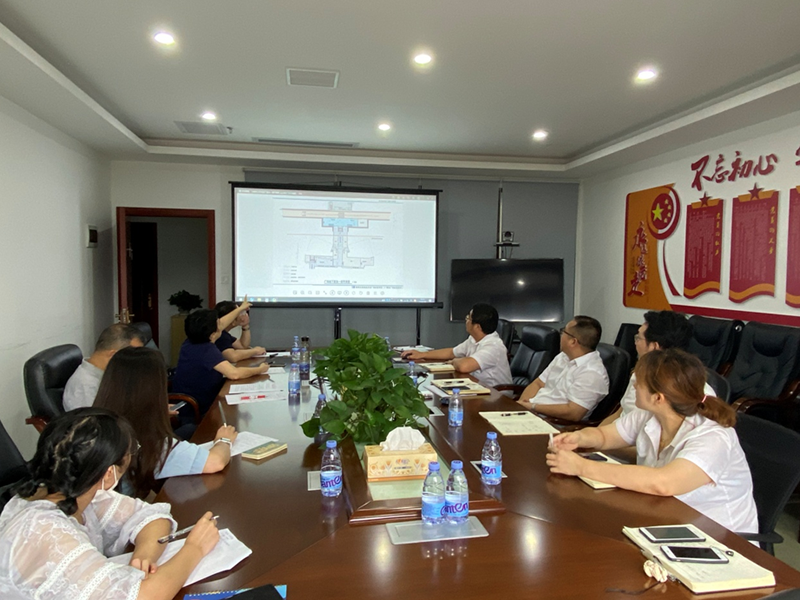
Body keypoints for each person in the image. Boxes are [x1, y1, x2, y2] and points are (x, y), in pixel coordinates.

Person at [0, 408, 220, 600]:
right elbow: (143, 597)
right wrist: (195, 548)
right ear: (108, 474)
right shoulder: (43, 530)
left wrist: (144, 556)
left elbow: (151, 517)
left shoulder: (74, 490)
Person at [546, 349, 757, 533]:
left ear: (658, 398)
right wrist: (579, 437)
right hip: (666, 519)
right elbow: (605, 436)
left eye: (639, 382)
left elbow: (663, 483)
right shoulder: (649, 415)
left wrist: (581, 467)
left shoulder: (714, 437)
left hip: (719, 537)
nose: (634, 385)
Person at [94, 347, 239, 498]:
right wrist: (224, 440)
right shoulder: (152, 444)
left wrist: (155, 412)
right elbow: (216, 461)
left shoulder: (93, 425)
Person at [601, 310, 714, 426]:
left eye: (638, 338)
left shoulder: (690, 393)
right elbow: (620, 412)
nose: (635, 343)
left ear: (654, 347)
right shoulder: (641, 372)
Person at [171, 301, 270, 415]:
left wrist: (240, 309)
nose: (222, 325)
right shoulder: (206, 349)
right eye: (218, 324)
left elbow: (223, 323)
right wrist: (260, 370)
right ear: (213, 334)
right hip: (197, 407)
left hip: (199, 395)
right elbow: (234, 374)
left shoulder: (191, 341)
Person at [517, 316, 608, 421]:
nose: (561, 335)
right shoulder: (563, 356)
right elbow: (538, 383)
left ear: (573, 342)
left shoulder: (592, 374)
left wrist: (533, 407)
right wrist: (521, 407)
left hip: (554, 422)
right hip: (533, 413)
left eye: (563, 331)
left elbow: (573, 413)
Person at [401, 303, 512, 388]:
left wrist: (454, 361)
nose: (466, 320)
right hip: (477, 387)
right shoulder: (473, 339)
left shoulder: (494, 347)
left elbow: (464, 366)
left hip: (496, 396)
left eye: (468, 318)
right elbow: (451, 352)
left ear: (477, 326)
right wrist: (422, 354)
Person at [63, 324, 145, 411]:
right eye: (132, 355)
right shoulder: (84, 387)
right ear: (113, 355)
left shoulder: (111, 373)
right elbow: (93, 419)